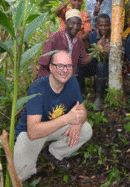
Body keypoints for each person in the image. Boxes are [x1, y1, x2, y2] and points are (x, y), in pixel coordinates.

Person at [14, 50, 93, 182]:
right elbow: (33, 132)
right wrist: (68, 119)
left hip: (57, 126)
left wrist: (77, 122)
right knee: (22, 175)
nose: (65, 70)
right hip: (33, 132)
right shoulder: (37, 87)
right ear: (50, 67)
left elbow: (82, 111)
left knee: (85, 129)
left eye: (69, 66)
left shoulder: (72, 81)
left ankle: (53, 153)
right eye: (60, 66)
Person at [37, 9, 94, 79]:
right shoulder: (54, 37)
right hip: (50, 79)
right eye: (72, 23)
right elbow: (44, 62)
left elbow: (83, 62)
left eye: (78, 24)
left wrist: (96, 51)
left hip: (67, 79)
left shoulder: (78, 41)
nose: (75, 27)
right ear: (66, 23)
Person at [77, 14, 111, 110]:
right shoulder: (93, 35)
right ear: (97, 25)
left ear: (110, 25)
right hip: (97, 59)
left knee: (101, 64)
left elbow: (109, 57)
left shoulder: (114, 35)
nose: (104, 28)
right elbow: (96, 54)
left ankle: (99, 97)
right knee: (80, 66)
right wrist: (99, 48)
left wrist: (107, 52)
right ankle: (81, 94)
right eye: (101, 25)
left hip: (110, 65)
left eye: (106, 25)